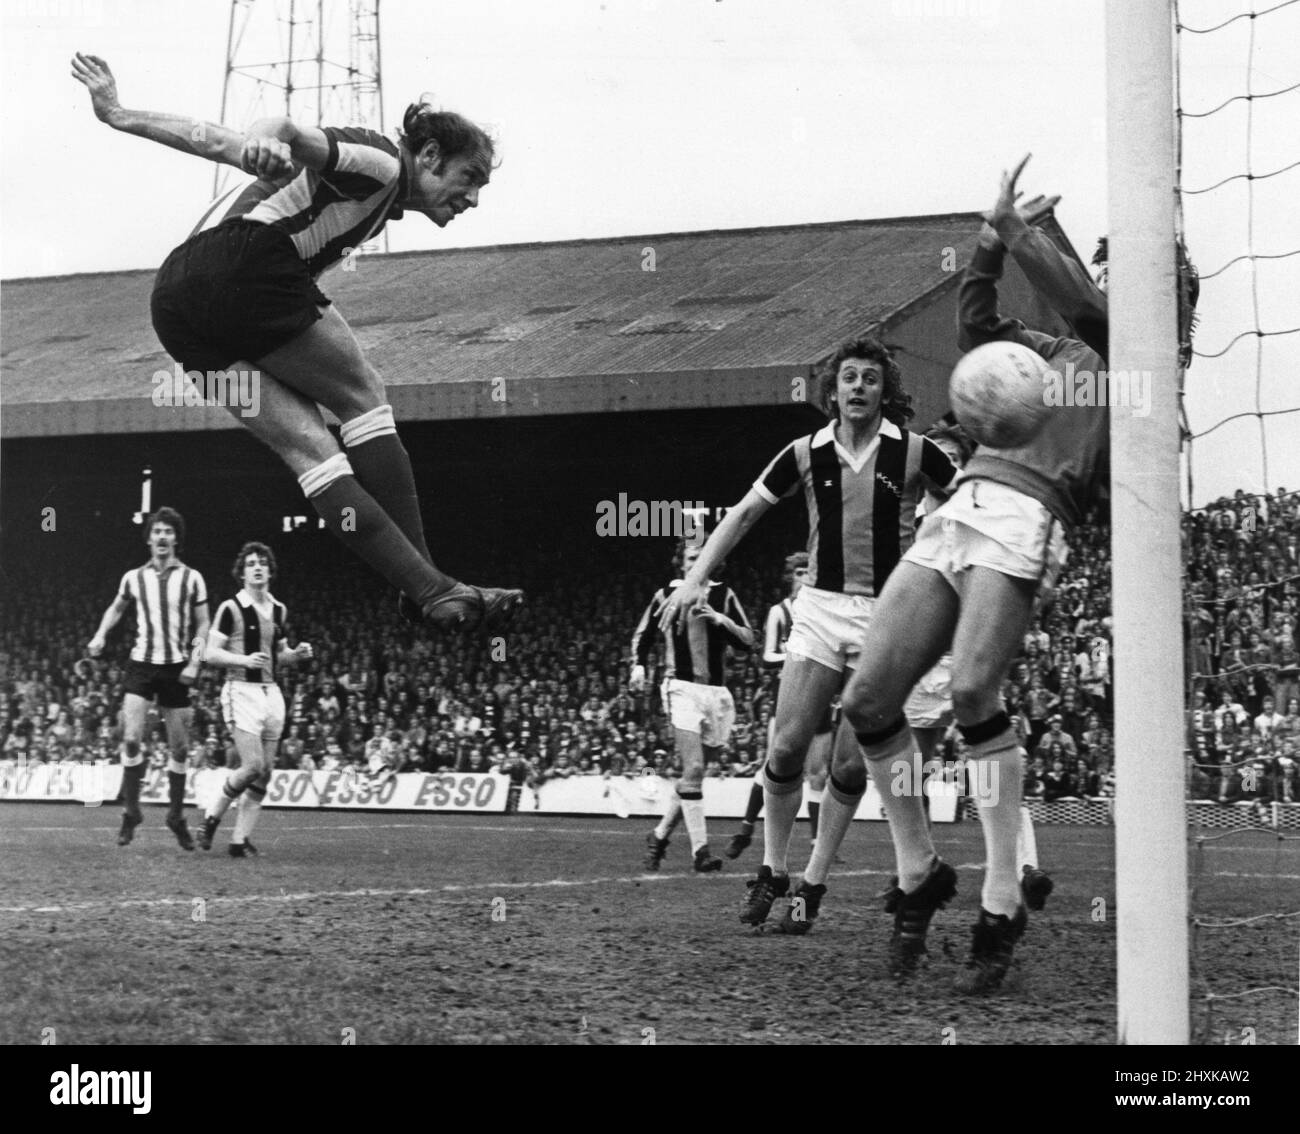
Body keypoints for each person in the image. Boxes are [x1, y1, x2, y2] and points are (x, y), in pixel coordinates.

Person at [838, 154, 1197, 990]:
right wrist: (986, 250)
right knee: (865, 702)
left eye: (1150, 281)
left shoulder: (1145, 365)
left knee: (970, 694)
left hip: (1029, 515)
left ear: (1177, 304)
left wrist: (1016, 231)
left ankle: (1001, 900)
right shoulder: (1056, 347)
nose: (1124, 287)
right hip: (960, 507)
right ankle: (921, 870)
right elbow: (976, 331)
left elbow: (1084, 304)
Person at [71, 53, 522, 634]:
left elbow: (214, 141)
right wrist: (266, 136)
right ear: (430, 155)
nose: (473, 200)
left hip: (175, 305)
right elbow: (281, 131)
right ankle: (429, 585)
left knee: (312, 452)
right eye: (470, 179)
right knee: (364, 396)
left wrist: (118, 113)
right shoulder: (383, 162)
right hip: (241, 262)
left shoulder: (361, 204)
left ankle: (430, 591)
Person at [660, 336, 957, 932]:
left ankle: (812, 886)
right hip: (819, 611)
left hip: (888, 613)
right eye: (848, 377)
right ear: (832, 390)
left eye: (870, 379)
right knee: (788, 747)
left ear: (885, 391)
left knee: (850, 767)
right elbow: (744, 512)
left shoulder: (918, 452)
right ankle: (772, 870)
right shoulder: (804, 452)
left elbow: (970, 507)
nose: (858, 388)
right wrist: (696, 578)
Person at [88, 507, 209, 849]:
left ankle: (175, 815)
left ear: (176, 539)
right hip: (141, 664)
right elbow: (116, 608)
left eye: (168, 531)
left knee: (181, 748)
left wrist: (195, 663)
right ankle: (131, 812)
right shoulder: (133, 578)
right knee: (130, 739)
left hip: (177, 666)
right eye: (157, 531)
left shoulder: (192, 578)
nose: (162, 536)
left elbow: (203, 623)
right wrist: (100, 635)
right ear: (149, 538)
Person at [634, 539, 755, 873]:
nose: (695, 562)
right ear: (680, 561)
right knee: (696, 770)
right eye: (690, 557)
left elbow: (748, 640)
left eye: (702, 557)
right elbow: (643, 636)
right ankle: (700, 852)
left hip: (717, 694)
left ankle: (658, 836)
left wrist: (719, 620)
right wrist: (638, 665)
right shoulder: (665, 594)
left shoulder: (723, 595)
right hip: (680, 688)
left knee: (692, 778)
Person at [200, 542, 313, 856]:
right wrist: (244, 660)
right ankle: (211, 816)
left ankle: (239, 840)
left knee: (265, 772)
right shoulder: (230, 608)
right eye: (251, 563)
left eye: (262, 562)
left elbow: (280, 656)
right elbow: (209, 653)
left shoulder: (279, 609)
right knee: (252, 765)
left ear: (270, 570)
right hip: (240, 691)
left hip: (271, 693)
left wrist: (297, 654)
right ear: (242, 572)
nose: (258, 567)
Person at [724, 552, 834, 862]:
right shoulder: (779, 612)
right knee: (774, 764)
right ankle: (745, 830)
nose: (803, 577)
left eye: (807, 571)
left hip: (821, 699)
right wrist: (797, 658)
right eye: (799, 571)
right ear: (789, 576)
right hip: (789, 697)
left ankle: (816, 844)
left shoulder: (822, 612)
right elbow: (766, 656)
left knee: (818, 774)